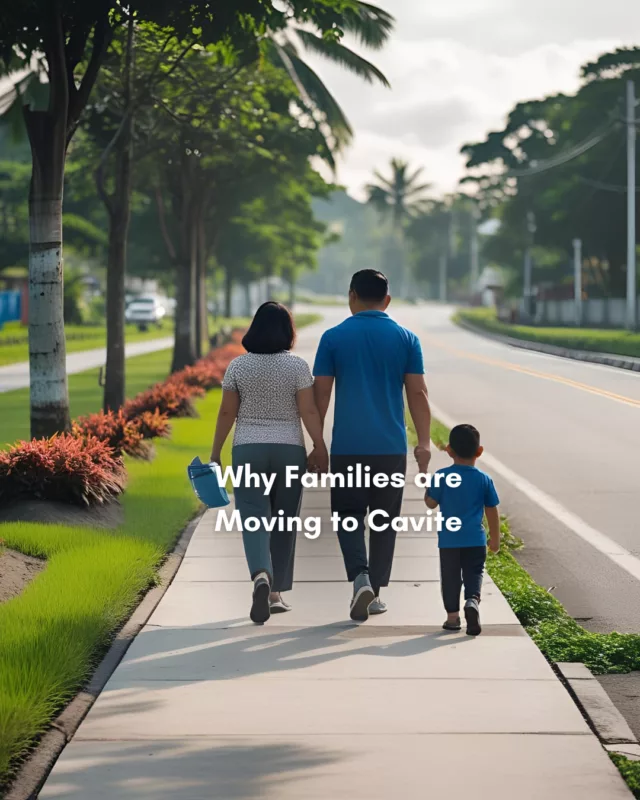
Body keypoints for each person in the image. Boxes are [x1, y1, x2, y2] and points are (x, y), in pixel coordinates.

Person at [312, 269, 432, 621]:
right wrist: (423, 442)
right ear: (387, 300)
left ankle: (359, 577)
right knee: (384, 520)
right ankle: (374, 591)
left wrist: (318, 443)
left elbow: (321, 395)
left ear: (351, 296)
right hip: (391, 447)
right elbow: (418, 393)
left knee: (347, 516)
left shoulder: (333, 338)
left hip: (348, 447)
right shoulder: (406, 339)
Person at [210, 302, 328, 625]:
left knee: (253, 517)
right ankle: (276, 595)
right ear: (288, 332)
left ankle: (261, 575)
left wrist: (215, 453)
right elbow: (309, 412)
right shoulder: (297, 367)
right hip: (289, 449)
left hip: (248, 448)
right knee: (284, 521)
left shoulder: (238, 367)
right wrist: (319, 445)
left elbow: (226, 414)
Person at [425, 423, 500, 636]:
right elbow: (491, 510)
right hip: (475, 539)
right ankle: (472, 600)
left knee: (450, 578)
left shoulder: (441, 476)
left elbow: (430, 503)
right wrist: (494, 539)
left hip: (449, 541)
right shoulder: (484, 479)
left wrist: (427, 489)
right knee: (474, 573)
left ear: (449, 450)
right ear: (479, 451)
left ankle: (452, 618)